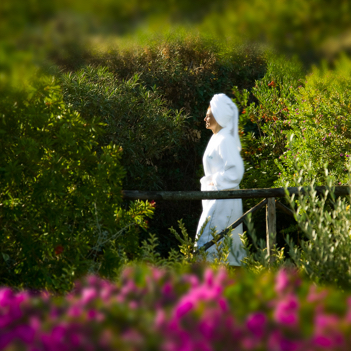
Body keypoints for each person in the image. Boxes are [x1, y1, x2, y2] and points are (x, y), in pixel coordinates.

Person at [195, 93, 246, 266]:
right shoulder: (216, 138)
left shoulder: (225, 139)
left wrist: (214, 180)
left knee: (206, 242)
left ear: (218, 116)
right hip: (215, 198)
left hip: (223, 199)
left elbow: (235, 171)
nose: (205, 119)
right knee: (214, 243)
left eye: (208, 115)